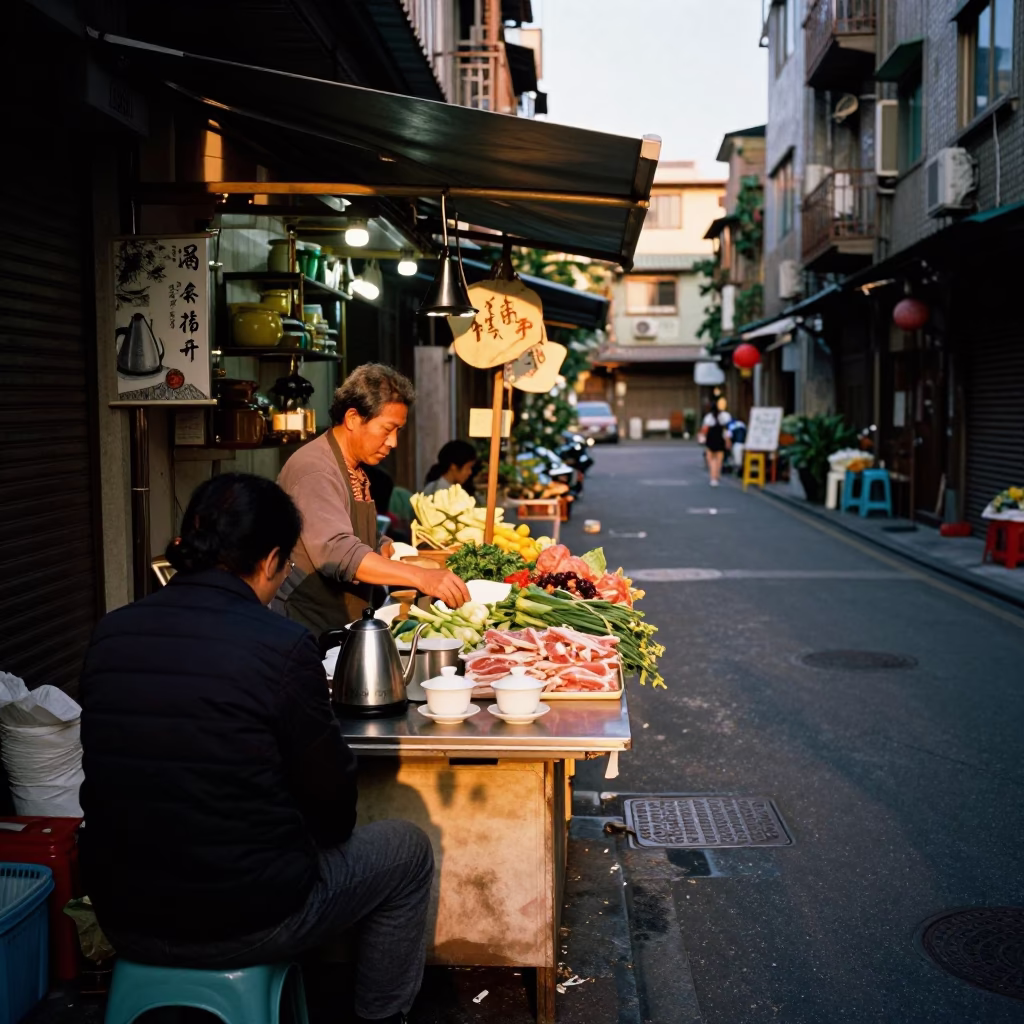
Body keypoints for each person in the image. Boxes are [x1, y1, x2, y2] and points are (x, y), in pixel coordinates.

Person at [78, 474, 432, 1024]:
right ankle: (381, 1019)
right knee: (407, 851)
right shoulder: (282, 646)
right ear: (270, 560)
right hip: (244, 921)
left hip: (123, 912)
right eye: (286, 564)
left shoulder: (111, 632)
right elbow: (334, 809)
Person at [276, 363, 470, 635]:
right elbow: (340, 552)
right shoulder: (315, 470)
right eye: (388, 429)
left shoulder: (353, 467)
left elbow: (356, 533)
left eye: (398, 431)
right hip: (307, 625)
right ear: (353, 418)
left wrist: (389, 547)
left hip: (341, 618)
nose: (393, 442)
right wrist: (422, 577)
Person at [700, 397, 732, 487]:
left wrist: (702, 438)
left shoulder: (708, 417)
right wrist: (728, 441)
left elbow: (704, 430)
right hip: (720, 438)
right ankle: (716, 476)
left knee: (711, 459)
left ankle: (712, 477)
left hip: (711, 438)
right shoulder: (725, 416)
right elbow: (727, 430)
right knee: (719, 459)